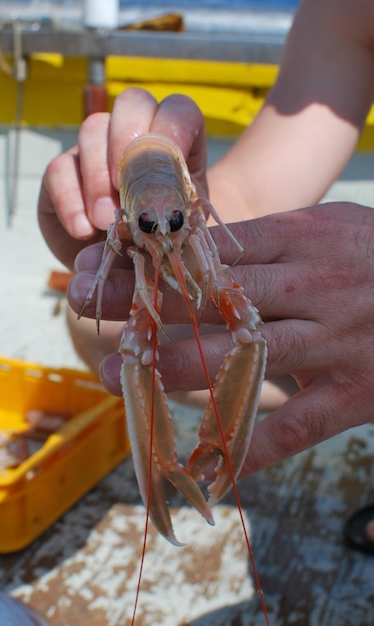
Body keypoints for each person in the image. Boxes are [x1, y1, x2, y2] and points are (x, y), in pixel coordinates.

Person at [38, 0, 374, 489]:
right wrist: (90, 234)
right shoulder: (345, 11)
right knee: (102, 330)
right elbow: (246, 204)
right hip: (156, 210)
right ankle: (179, 462)